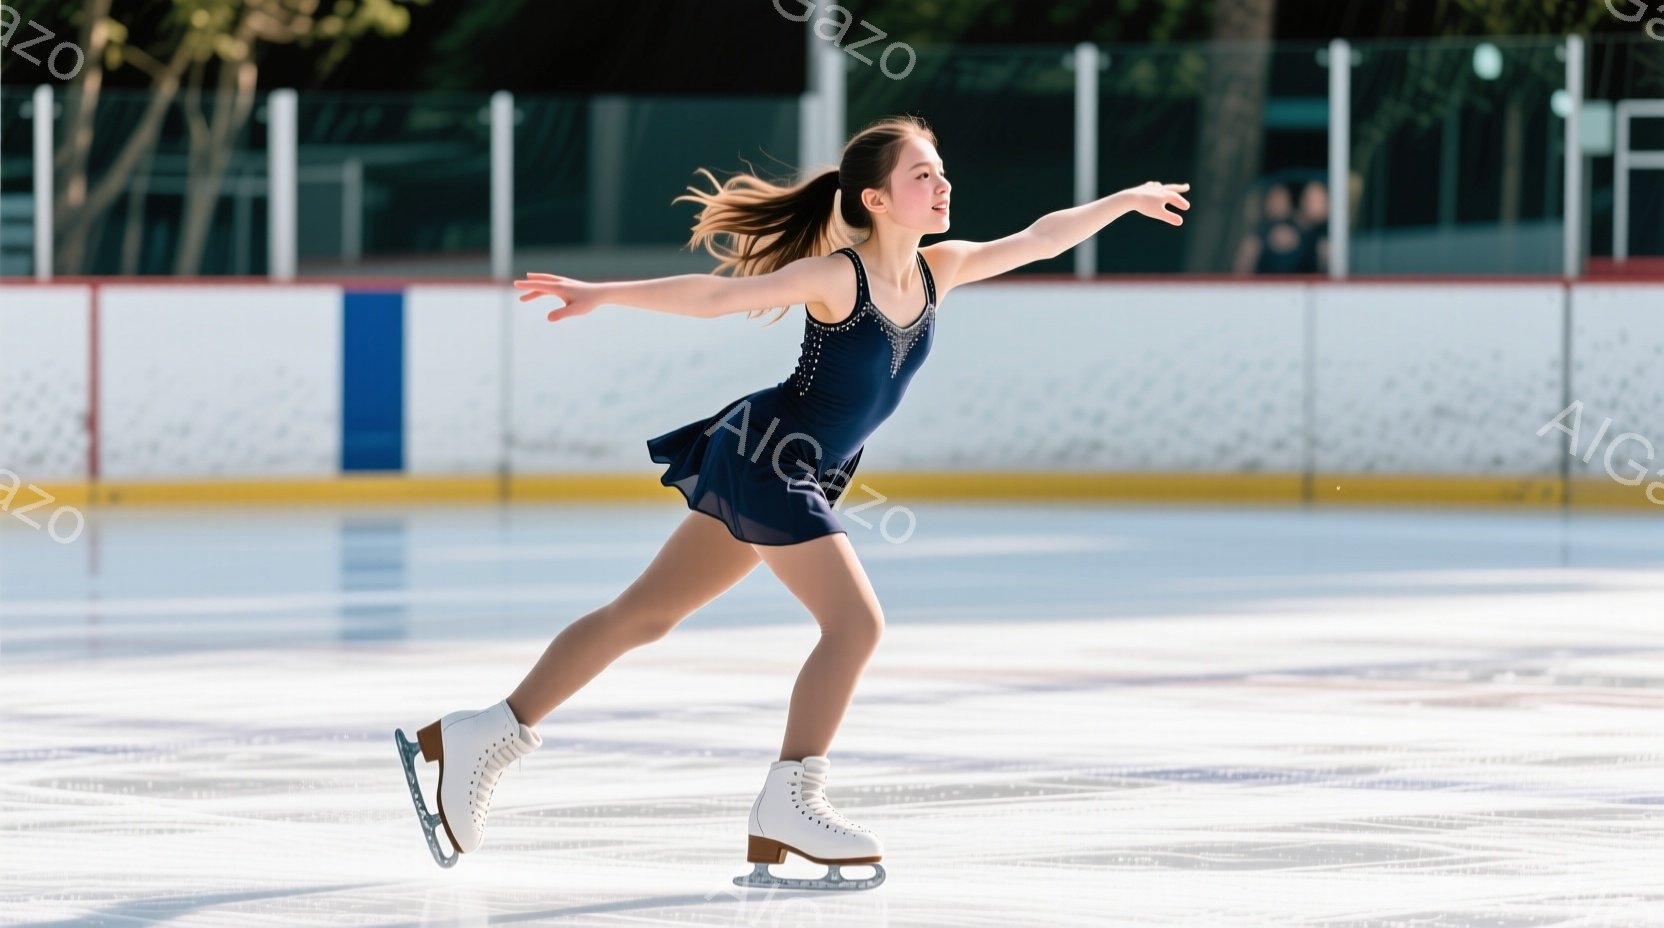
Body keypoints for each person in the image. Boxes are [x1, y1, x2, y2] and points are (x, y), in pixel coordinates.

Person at [395, 114, 1190, 891]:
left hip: (792, 465)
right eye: (922, 174)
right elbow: (714, 297)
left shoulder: (936, 272)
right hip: (769, 457)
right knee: (856, 624)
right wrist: (605, 293)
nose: (942, 184)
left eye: (941, 171)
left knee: (643, 615)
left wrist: (1125, 199)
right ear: (875, 198)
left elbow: (1039, 238)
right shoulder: (838, 276)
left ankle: (480, 734)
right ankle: (790, 798)